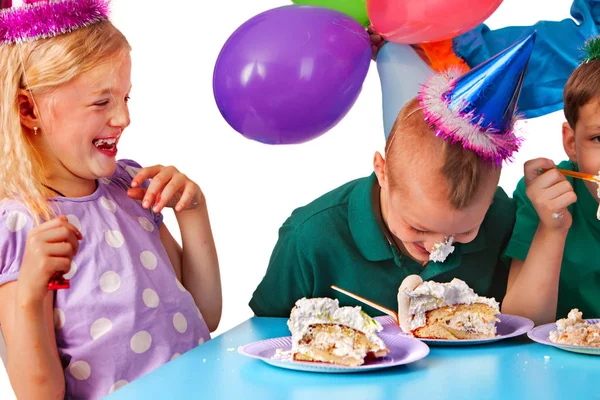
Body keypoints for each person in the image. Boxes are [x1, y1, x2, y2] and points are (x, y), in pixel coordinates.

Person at [0, 1, 221, 398]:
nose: (123, 118)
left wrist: (192, 211)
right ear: (28, 109)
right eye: (102, 102)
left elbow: (204, 314)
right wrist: (32, 292)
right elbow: (39, 395)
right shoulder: (21, 225)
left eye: (125, 98)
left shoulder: (128, 188)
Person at [249, 34, 536, 318]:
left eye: (464, 233)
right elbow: (263, 334)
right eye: (418, 228)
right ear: (382, 171)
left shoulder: (500, 218)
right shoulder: (309, 239)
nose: (439, 247)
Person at [502, 36, 600, 324]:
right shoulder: (545, 196)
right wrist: (553, 229)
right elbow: (521, 324)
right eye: (599, 138)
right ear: (571, 143)